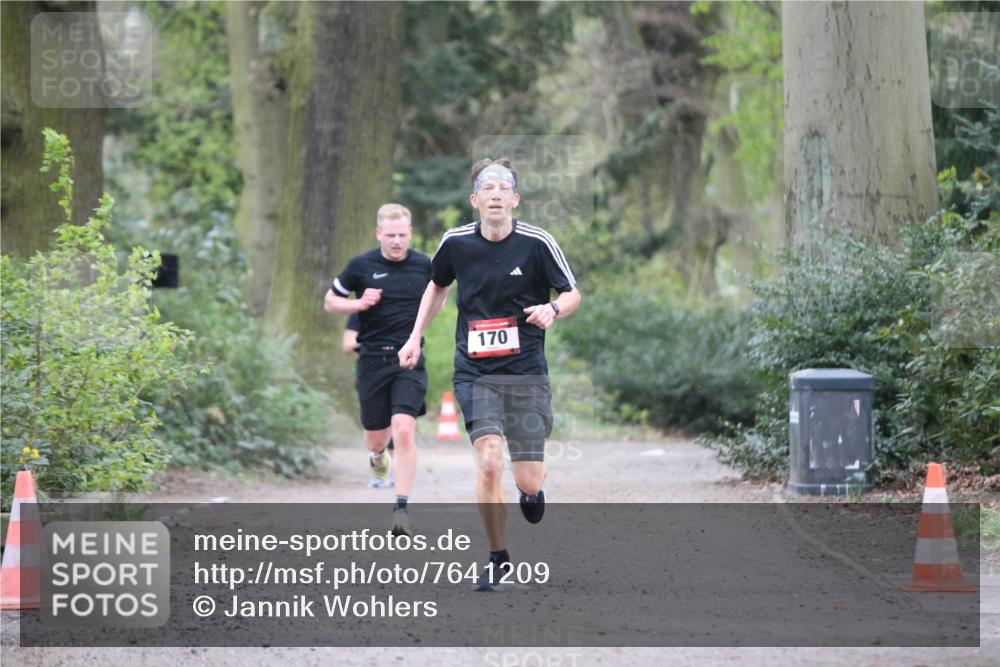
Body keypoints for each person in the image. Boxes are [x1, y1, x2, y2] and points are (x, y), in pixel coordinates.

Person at [399, 158, 581, 590]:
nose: (496, 194)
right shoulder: (456, 243)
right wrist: (414, 337)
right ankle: (498, 555)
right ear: (475, 199)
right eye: (488, 187)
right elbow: (438, 286)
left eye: (504, 187)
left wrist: (552, 309)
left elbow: (572, 293)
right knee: (488, 463)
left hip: (526, 373)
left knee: (526, 476)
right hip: (475, 372)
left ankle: (532, 491)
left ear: (515, 200)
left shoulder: (538, 243)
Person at [325, 203, 440, 536]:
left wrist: (417, 336)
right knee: (376, 440)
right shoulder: (361, 266)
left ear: (411, 233)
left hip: (409, 358)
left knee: (404, 429)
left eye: (403, 235)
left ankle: (400, 509)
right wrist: (357, 304)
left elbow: (440, 297)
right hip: (372, 360)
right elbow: (330, 301)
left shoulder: (425, 265)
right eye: (390, 235)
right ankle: (378, 459)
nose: (396, 241)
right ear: (379, 234)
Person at [344, 313, 396, 488]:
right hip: (370, 370)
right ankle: (379, 463)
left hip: (400, 369)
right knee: (377, 424)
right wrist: (376, 345)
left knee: (399, 420)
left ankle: (393, 473)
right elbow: (347, 345)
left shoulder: (399, 309)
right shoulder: (358, 314)